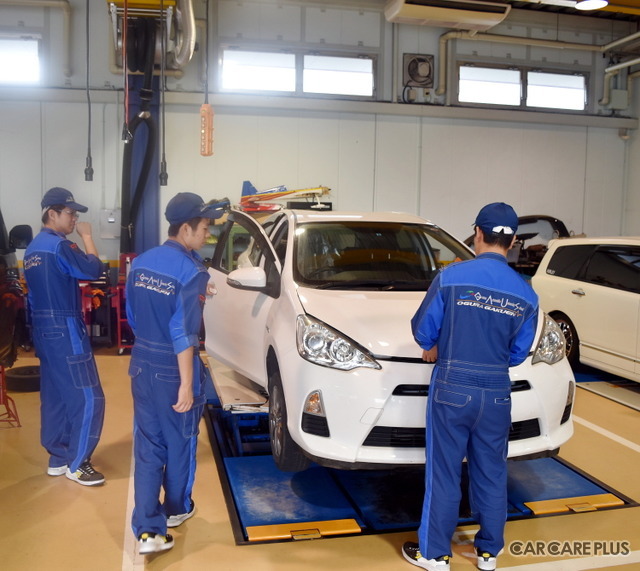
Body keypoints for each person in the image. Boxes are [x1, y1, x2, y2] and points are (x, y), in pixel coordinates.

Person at [403, 203, 539, 571]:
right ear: (511, 242)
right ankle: (489, 552)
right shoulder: (527, 294)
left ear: (477, 233)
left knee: (444, 471)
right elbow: (518, 353)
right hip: (496, 390)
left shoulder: (451, 277)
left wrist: (435, 346)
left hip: (452, 386)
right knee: (492, 470)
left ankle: (434, 554)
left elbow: (423, 332)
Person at [125, 192, 223, 555]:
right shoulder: (192, 271)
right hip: (173, 366)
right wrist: (185, 383)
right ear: (185, 228)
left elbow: (134, 316)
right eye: (204, 228)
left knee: (149, 446)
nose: (207, 235)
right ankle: (177, 509)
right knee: (180, 443)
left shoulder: (141, 262)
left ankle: (148, 529)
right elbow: (184, 332)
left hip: (141, 361)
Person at [23, 187, 106, 486]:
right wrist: (86, 238)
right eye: (70, 213)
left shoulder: (32, 250)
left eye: (76, 214)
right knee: (88, 396)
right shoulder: (60, 246)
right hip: (64, 325)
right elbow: (93, 269)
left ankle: (58, 457)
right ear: (52, 214)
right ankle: (78, 461)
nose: (75, 218)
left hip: (43, 328)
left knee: (56, 395)